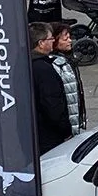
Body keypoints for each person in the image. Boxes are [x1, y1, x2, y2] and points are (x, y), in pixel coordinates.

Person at [29, 23, 71, 154]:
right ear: (41, 43)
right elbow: (52, 104)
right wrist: (66, 130)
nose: (53, 41)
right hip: (49, 137)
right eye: (50, 38)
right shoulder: (44, 70)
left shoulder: (27, 63)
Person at [48, 23, 87, 138]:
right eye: (65, 39)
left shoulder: (67, 60)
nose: (70, 41)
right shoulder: (56, 64)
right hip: (66, 124)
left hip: (74, 119)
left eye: (69, 37)